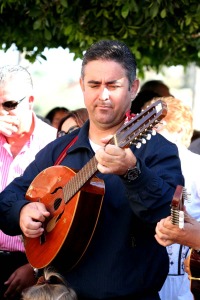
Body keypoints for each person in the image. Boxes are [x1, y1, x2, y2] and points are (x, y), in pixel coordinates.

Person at [0, 40, 184, 300]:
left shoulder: (157, 150)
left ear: (133, 88)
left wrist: (132, 171)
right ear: (82, 87)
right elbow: (6, 199)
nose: (103, 95)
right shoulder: (60, 150)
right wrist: (22, 212)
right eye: (94, 85)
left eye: (113, 85)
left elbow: (169, 217)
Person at [0, 64, 57, 299]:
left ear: (30, 100)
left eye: (9, 105)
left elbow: (62, 215)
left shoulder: (54, 143)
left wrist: (35, 268)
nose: (2, 113)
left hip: (35, 265)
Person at [143, 96, 200, 300]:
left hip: (188, 277)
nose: (149, 133)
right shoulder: (141, 168)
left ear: (180, 131)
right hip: (149, 276)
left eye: (157, 127)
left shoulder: (196, 167)